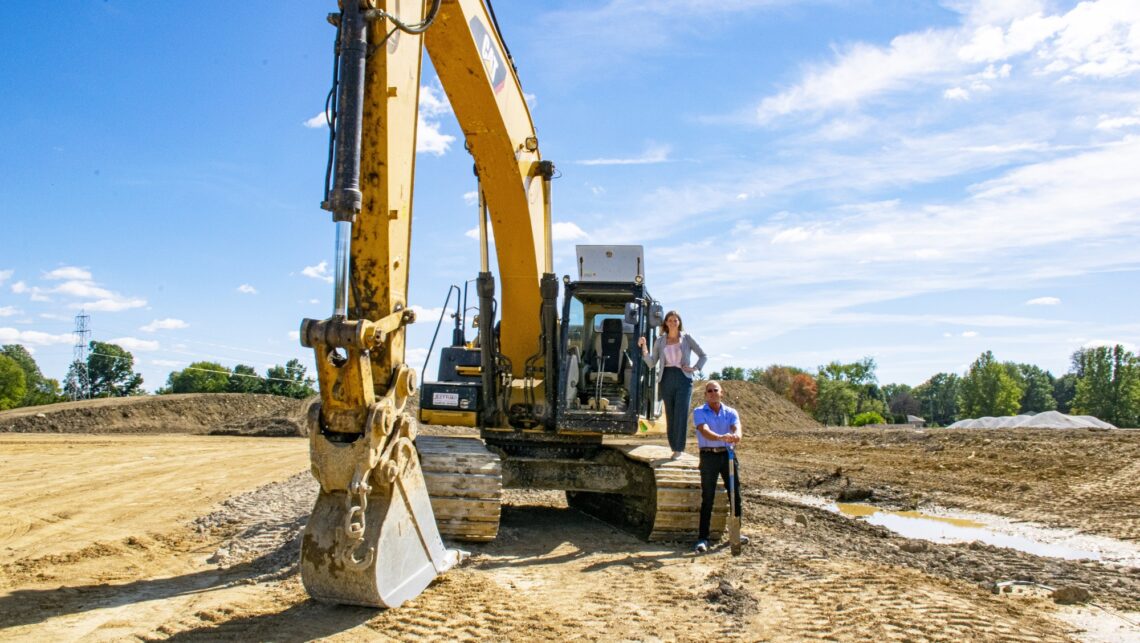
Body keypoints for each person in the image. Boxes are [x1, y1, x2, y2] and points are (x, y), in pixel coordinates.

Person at [637, 310, 707, 459]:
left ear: (679, 323)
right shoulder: (660, 341)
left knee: (681, 413)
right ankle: (673, 446)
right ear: (666, 323)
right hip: (666, 378)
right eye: (670, 320)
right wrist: (643, 347)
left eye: (675, 320)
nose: (673, 323)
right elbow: (651, 363)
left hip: (683, 378)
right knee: (670, 413)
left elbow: (703, 355)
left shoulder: (687, 338)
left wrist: (695, 368)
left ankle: (678, 449)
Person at [691, 381, 748, 553]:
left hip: (727, 456)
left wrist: (736, 436)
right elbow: (704, 430)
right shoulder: (699, 412)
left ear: (721, 392)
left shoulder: (730, 412)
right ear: (705, 394)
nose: (712, 393)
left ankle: (736, 532)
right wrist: (721, 437)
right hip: (709, 456)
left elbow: (737, 427)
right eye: (709, 391)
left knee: (735, 494)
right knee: (708, 496)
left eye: (715, 390)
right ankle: (703, 538)